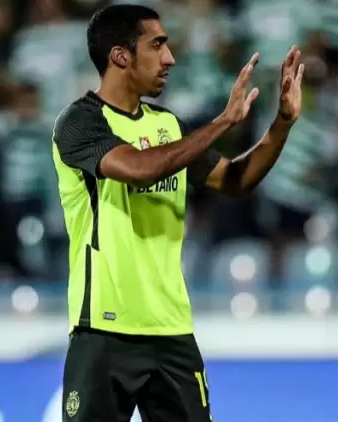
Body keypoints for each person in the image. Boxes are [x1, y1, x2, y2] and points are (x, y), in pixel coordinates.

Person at [52, 4, 303, 422]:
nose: (169, 58)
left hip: (172, 330)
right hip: (104, 330)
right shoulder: (80, 122)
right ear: (120, 56)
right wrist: (222, 122)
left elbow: (235, 181)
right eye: (157, 46)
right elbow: (139, 168)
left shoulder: (168, 126)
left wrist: (282, 123)